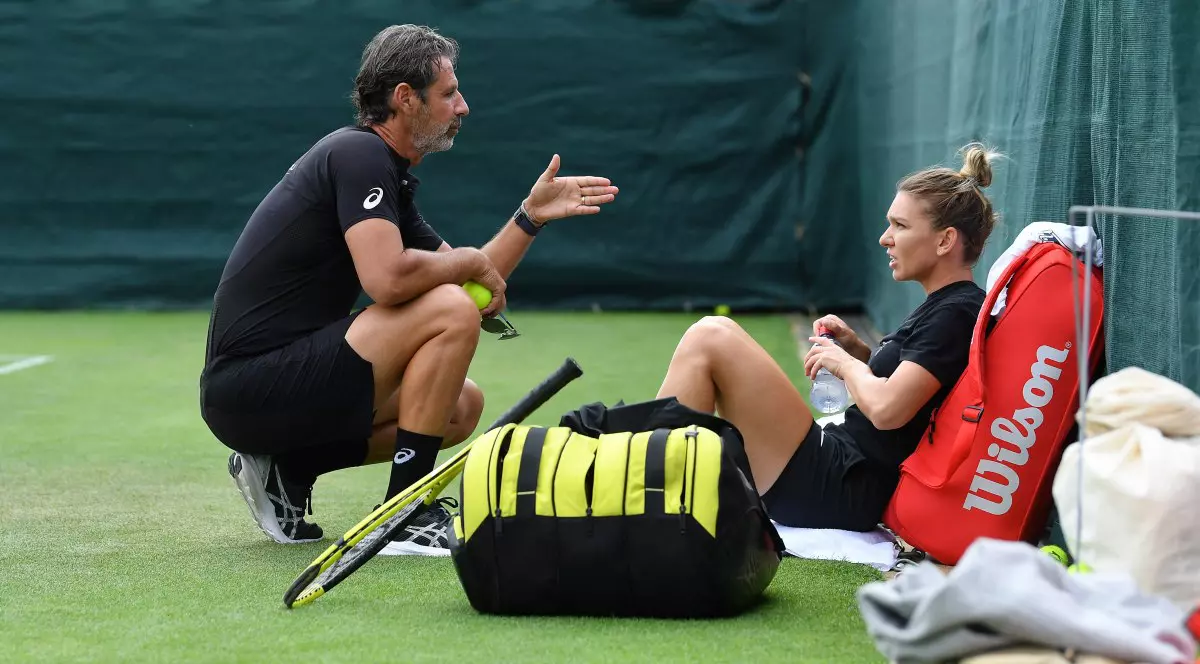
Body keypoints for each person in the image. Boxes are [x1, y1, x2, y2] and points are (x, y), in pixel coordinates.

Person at [199, 24, 619, 552]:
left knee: (460, 407)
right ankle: (404, 514)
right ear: (405, 99)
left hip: (276, 387)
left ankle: (289, 469)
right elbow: (389, 279)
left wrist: (529, 218)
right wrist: (464, 265)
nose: (462, 107)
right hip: (248, 389)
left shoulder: (384, 176)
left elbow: (472, 281)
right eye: (449, 94)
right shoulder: (358, 156)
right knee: (447, 308)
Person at [653, 144, 999, 531]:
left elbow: (888, 411)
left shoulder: (956, 312)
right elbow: (912, 399)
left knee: (711, 336)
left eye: (900, 226)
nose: (885, 238)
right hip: (840, 467)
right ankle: (656, 497)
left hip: (842, 485)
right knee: (711, 336)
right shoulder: (949, 306)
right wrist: (861, 353)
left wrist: (846, 364)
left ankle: (645, 497)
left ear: (945, 240)